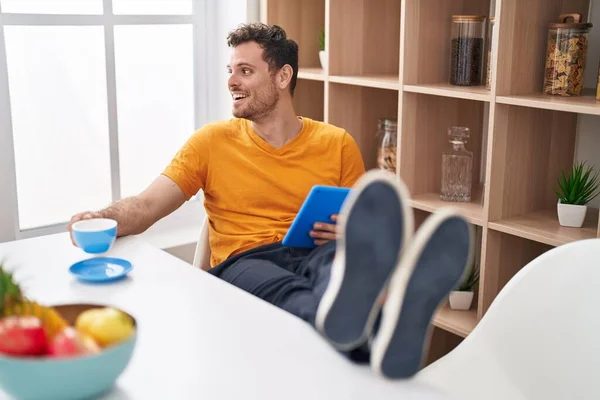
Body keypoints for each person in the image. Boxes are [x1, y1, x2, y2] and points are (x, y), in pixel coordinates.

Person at [68, 23, 473, 379]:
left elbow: (358, 219)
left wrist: (349, 229)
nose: (232, 81)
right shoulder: (211, 142)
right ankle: (386, 326)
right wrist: (101, 218)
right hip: (244, 261)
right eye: (230, 71)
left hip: (316, 251)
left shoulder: (337, 143)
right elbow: (145, 206)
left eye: (245, 71)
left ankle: (384, 323)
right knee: (286, 289)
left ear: (283, 77)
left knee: (338, 270)